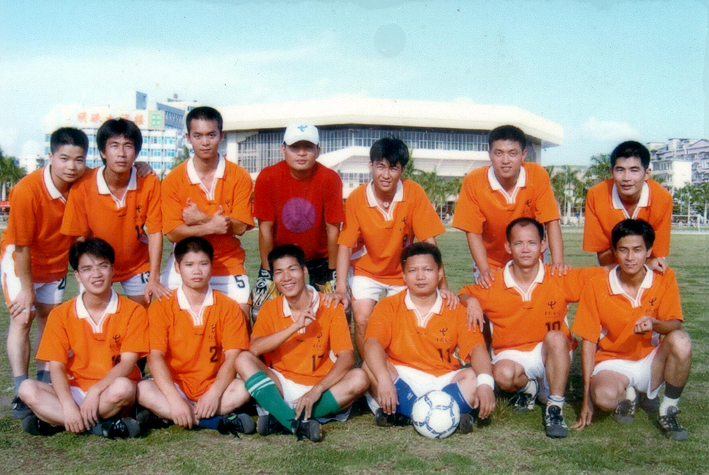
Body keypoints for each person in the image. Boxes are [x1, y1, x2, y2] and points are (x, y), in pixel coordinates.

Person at [459, 218, 607, 438]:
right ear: (508, 247)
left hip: (551, 353)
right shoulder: (493, 282)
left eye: (532, 243)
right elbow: (462, 293)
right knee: (502, 375)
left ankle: (555, 407)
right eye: (518, 243)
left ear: (543, 245)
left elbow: (605, 274)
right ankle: (528, 388)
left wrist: (645, 265)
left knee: (556, 337)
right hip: (513, 354)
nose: (525, 249)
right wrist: (470, 300)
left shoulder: (558, 276)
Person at [326, 137, 456, 358]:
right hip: (367, 270)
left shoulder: (413, 192)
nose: (386, 175)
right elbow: (345, 246)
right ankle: (370, 368)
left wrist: (442, 286)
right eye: (381, 166)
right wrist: (340, 288)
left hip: (402, 271)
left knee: (408, 319)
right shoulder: (357, 198)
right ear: (371, 166)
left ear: (402, 170)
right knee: (362, 317)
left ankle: (400, 363)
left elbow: (429, 243)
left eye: (393, 168)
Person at [572, 219, 692, 440]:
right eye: (623, 250)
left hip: (651, 361)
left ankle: (668, 408)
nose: (630, 257)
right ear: (614, 251)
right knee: (604, 399)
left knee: (681, 340)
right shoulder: (597, 285)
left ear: (649, 252)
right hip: (613, 361)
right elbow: (588, 340)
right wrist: (586, 397)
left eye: (637, 250)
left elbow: (675, 323)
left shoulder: (664, 277)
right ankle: (628, 393)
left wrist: (655, 324)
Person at [236, 245, 368, 442]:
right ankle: (293, 422)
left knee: (360, 378)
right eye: (279, 272)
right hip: (281, 384)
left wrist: (317, 390)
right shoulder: (270, 308)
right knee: (243, 359)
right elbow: (254, 348)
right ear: (273, 278)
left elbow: (347, 358)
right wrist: (295, 326)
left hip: (321, 387)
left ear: (304, 271)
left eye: (292, 269)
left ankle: (280, 417)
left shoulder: (329, 306)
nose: (286, 277)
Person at [17, 238, 146, 438]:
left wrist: (95, 391)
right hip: (74, 389)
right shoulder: (60, 314)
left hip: (109, 389)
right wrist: (68, 404)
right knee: (26, 388)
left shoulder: (133, 311)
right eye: (87, 269)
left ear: (112, 269)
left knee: (124, 388)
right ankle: (99, 426)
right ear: (77, 276)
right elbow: (56, 367)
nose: (96, 274)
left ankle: (57, 421)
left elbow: (128, 364)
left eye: (103, 266)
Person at [363, 242, 494, 433]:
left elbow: (477, 349)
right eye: (413, 270)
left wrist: (486, 385)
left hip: (444, 379)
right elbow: (372, 343)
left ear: (439, 273)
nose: (420, 276)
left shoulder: (456, 309)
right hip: (404, 378)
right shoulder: (388, 305)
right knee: (370, 366)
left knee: (475, 377)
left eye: (427, 269)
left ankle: (407, 413)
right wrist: (383, 379)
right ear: (404, 275)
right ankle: (448, 415)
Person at [136, 237, 255, 437]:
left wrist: (214, 393)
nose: (197, 271)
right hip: (175, 385)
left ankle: (170, 415)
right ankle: (211, 420)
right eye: (189, 265)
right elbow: (154, 357)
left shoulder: (228, 306)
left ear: (212, 265)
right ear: (177, 267)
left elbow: (233, 356)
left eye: (203, 264)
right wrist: (174, 399)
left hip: (214, 385)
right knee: (141, 389)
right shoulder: (162, 306)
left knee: (245, 388)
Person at [61, 118, 168, 307]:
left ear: (136, 152)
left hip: (136, 264)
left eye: (128, 146)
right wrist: (86, 272)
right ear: (103, 151)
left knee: (144, 310)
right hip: (98, 263)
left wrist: (154, 278)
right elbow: (79, 239)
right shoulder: (82, 186)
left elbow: (155, 233)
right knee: (96, 311)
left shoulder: (149, 182)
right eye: (114, 146)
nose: (121, 153)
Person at [160, 106, 254, 318]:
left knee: (240, 320)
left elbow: (240, 226)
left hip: (227, 262)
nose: (205, 142)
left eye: (211, 135)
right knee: (170, 321)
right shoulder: (173, 179)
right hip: (185, 263)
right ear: (188, 137)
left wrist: (201, 218)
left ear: (221, 135)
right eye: (198, 136)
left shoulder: (239, 176)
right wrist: (212, 225)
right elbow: (173, 233)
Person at [452, 125, 567, 288]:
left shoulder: (537, 175)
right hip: (491, 261)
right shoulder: (474, 181)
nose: (505, 161)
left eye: (512, 153)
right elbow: (473, 232)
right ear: (490, 154)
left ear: (523, 155)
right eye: (498, 153)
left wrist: (558, 263)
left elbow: (551, 221)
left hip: (530, 259)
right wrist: (484, 270)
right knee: (491, 301)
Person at [251, 122, 344, 318]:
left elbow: (333, 229)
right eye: (295, 147)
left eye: (308, 147)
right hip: (282, 256)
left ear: (318, 150)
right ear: (283, 149)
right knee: (260, 309)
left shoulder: (329, 178)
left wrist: (333, 271)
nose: (301, 153)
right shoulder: (268, 177)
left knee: (339, 308)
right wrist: (268, 271)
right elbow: (265, 229)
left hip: (320, 257)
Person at [583, 141, 673, 272]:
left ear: (647, 173)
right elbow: (602, 251)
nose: (626, 178)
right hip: (612, 269)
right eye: (620, 170)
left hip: (648, 269)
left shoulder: (662, 198)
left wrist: (646, 265)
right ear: (612, 171)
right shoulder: (596, 196)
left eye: (634, 170)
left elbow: (656, 255)